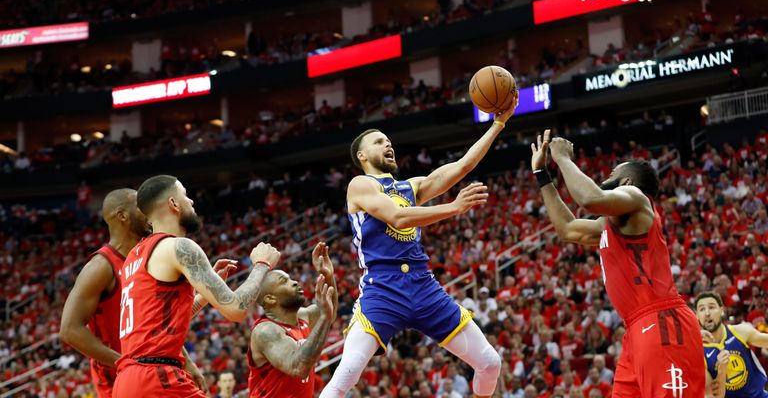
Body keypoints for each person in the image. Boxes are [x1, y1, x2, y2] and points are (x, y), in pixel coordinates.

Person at [322, 95, 518, 398]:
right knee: (346, 373)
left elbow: (463, 166)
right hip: (383, 288)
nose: (388, 145)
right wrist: (453, 208)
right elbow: (398, 217)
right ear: (361, 155)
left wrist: (498, 125)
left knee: (491, 363)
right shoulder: (360, 185)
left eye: (388, 141)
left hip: (422, 285)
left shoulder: (409, 187)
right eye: (378, 142)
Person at [531, 130, 705, 398]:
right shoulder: (610, 224)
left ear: (626, 181)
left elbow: (591, 199)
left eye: (612, 172)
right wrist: (543, 175)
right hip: (636, 330)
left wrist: (563, 158)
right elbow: (567, 229)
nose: (605, 177)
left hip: (662, 322)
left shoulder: (637, 198)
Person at [112, 175, 281, 397]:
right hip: (156, 378)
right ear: (173, 203)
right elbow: (236, 309)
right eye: (185, 195)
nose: (191, 201)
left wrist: (204, 295)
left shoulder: (133, 258)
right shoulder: (179, 247)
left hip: (126, 382)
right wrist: (261, 264)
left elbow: (160, 322)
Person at [60, 189, 151, 397]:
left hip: (150, 372)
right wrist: (124, 362)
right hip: (117, 380)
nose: (149, 212)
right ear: (122, 216)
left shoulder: (145, 257)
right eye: (142, 207)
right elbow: (69, 329)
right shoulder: (102, 266)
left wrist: (187, 361)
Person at [248, 242, 337, 397]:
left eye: (290, 279)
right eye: (285, 282)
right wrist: (324, 317)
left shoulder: (302, 316)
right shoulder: (265, 331)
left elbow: (331, 312)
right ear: (270, 298)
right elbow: (298, 367)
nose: (294, 282)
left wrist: (328, 276)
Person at [695, 291, 768, 398]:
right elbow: (714, 396)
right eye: (702, 309)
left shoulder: (740, 331)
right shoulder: (698, 354)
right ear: (696, 316)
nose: (707, 313)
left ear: (722, 310)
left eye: (711, 307)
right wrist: (721, 371)